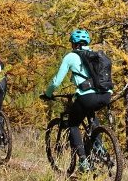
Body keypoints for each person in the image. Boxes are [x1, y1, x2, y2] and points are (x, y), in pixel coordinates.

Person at [40, 29, 113, 172]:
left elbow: (56, 81)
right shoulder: (96, 55)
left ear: (73, 43)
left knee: (73, 124)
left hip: (87, 96)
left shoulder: (71, 57)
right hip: (105, 95)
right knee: (91, 117)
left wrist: (48, 94)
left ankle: (83, 161)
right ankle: (100, 149)